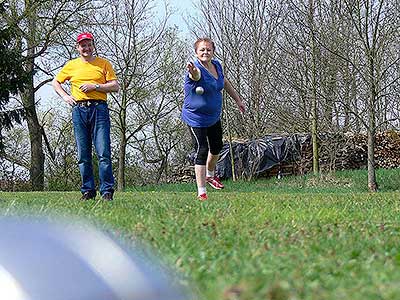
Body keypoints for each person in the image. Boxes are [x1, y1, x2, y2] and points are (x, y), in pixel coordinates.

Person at [52, 32, 119, 201]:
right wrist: (66, 97)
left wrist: (95, 86)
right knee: (83, 154)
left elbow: (115, 86)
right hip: (79, 110)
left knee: (103, 151)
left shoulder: (103, 64)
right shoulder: (71, 65)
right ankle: (87, 191)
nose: (86, 48)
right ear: (78, 47)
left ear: (93, 45)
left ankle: (107, 191)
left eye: (89, 44)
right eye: (83, 45)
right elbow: (56, 82)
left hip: (99, 109)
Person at [182, 37, 245, 201]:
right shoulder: (195, 68)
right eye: (202, 50)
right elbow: (195, 76)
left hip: (213, 116)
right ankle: (201, 192)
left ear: (213, 51)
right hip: (196, 118)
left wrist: (238, 100)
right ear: (196, 53)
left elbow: (223, 82)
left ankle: (210, 175)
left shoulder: (216, 65)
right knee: (202, 149)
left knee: (217, 146)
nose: (205, 52)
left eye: (208, 49)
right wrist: (192, 72)